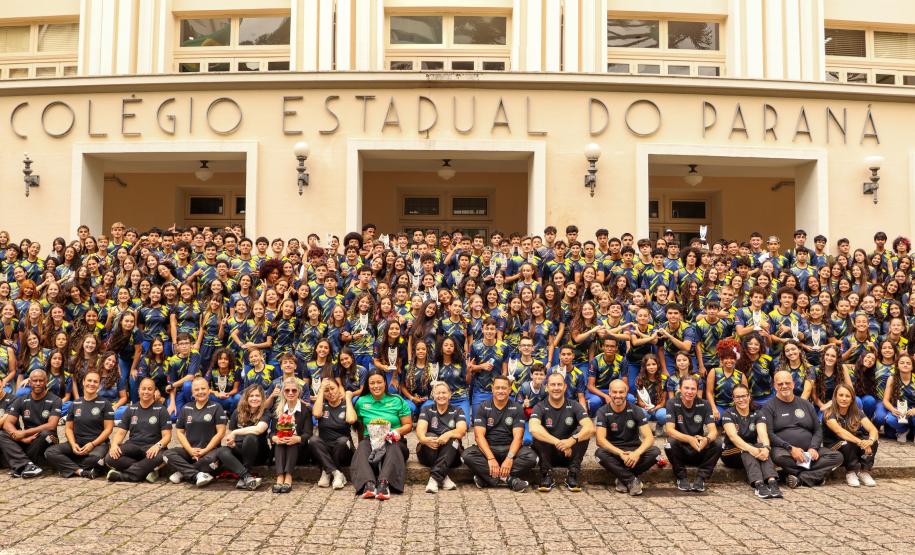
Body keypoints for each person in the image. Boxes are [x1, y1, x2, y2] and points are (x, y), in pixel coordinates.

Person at [760, 370, 843, 488]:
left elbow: (818, 429)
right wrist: (790, 448)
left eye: (787, 383)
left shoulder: (805, 404)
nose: (784, 386)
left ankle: (800, 478)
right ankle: (815, 477)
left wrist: (813, 448)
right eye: (780, 384)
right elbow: (770, 434)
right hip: (786, 452)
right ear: (774, 386)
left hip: (810, 452)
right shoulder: (769, 406)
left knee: (837, 457)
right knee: (778, 457)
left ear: (793, 384)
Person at [462, 375, 536, 492]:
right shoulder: (483, 406)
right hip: (489, 448)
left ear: (509, 389)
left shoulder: (517, 408)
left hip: (509, 448)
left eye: (504, 388)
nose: (500, 391)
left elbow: (518, 437)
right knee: (466, 455)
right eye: (497, 388)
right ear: (492, 389)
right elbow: (478, 436)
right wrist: (491, 459)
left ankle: (487, 478)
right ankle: (509, 479)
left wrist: (509, 458)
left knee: (532, 458)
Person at [351, 369, 412, 500]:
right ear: (367, 384)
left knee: (393, 446)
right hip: (371, 440)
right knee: (362, 446)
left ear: (385, 382)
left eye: (379, 382)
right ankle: (369, 484)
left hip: (394, 441)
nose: (376, 386)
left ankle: (384, 484)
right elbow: (360, 427)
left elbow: (408, 425)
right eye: (372, 383)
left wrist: (397, 431)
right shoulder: (361, 402)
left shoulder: (397, 400)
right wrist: (363, 442)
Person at [529, 372, 594, 492]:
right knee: (539, 433)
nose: (556, 388)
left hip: (569, 455)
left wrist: (571, 440)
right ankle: (546, 474)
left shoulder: (575, 405)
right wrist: (559, 443)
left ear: (565, 387)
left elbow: (590, 428)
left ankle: (573, 473)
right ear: (547, 387)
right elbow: (533, 428)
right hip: (548, 454)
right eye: (552, 385)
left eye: (559, 384)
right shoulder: (539, 406)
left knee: (583, 432)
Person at [593, 379, 660, 496]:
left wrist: (637, 453)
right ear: (609, 393)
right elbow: (600, 440)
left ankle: (622, 478)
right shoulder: (602, 411)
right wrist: (620, 453)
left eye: (621, 392)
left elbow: (649, 437)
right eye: (614, 392)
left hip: (634, 452)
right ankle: (631, 480)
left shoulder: (636, 410)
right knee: (599, 454)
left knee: (656, 452)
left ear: (626, 393)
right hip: (614, 453)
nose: (618, 395)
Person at [45, 370, 114, 478]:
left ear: (99, 385)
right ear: (83, 382)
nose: (92, 384)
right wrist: (73, 444)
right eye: (89, 380)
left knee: (95, 458)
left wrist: (92, 444)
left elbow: (108, 429)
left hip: (98, 444)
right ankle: (80, 471)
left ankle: (67, 466)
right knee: (50, 452)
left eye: (95, 382)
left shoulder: (105, 404)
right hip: (77, 443)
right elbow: (68, 428)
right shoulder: (75, 404)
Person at [720, 384, 782, 499]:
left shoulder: (758, 413)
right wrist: (753, 450)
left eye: (744, 396)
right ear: (733, 399)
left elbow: (763, 434)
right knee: (748, 448)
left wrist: (766, 448)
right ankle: (758, 484)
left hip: (752, 450)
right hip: (730, 452)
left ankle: (772, 482)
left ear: (749, 397)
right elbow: (733, 437)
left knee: (761, 447)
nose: (741, 399)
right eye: (738, 397)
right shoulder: (728, 414)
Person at [162, 376, 227, 487]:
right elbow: (179, 432)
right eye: (196, 390)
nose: (200, 392)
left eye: (203, 388)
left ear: (208, 390)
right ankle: (197, 475)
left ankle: (183, 472)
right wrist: (190, 450)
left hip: (210, 452)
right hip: (190, 451)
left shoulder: (217, 407)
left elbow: (221, 432)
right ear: (192, 392)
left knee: (210, 462)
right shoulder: (186, 408)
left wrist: (205, 450)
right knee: (167, 454)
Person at [104, 377, 172, 483]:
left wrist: (157, 446)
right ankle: (146, 470)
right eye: (143, 389)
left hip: (152, 449)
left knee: (162, 457)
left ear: (154, 391)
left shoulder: (161, 410)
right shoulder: (130, 409)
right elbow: (121, 432)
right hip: (134, 447)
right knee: (110, 458)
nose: (146, 391)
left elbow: (167, 436)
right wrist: (114, 445)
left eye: (150, 389)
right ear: (138, 390)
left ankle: (124, 476)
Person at [663, 376, 722, 492]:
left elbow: (713, 431)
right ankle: (681, 477)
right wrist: (689, 439)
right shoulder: (672, 403)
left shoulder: (704, 404)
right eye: (686, 388)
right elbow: (669, 430)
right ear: (680, 388)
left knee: (718, 444)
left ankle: (701, 478)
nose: (689, 392)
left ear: (697, 390)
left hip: (699, 448)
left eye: (693, 389)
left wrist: (707, 439)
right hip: (681, 450)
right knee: (670, 443)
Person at [0, 369, 61, 478]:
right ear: (29, 382)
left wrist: (24, 433)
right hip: (27, 440)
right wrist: (21, 437)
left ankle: (20, 465)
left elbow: (52, 425)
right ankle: (27, 465)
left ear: (46, 381)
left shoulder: (55, 400)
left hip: (46, 439)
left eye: (41, 380)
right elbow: (7, 423)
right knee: (2, 434)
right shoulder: (21, 400)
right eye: (35, 380)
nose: (38, 383)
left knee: (46, 434)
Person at [214, 384, 269, 490]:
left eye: (257, 396)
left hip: (258, 452)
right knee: (221, 451)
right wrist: (232, 444)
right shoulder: (237, 412)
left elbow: (259, 429)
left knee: (250, 437)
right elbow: (230, 435)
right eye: (251, 396)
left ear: (262, 398)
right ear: (246, 398)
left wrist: (235, 432)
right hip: (240, 451)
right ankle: (247, 477)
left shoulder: (265, 412)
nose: (254, 398)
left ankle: (245, 473)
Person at [823, 383, 879, 487]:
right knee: (847, 442)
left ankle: (864, 472)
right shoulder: (828, 413)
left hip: (853, 445)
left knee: (873, 441)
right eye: (841, 395)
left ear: (852, 399)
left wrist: (870, 441)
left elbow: (873, 429)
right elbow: (840, 432)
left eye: (847, 396)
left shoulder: (857, 411)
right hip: (835, 445)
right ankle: (851, 472)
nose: (844, 399)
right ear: (835, 397)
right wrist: (861, 442)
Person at [416, 381, 467, 493]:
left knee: (453, 439)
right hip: (429, 451)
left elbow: (462, 431)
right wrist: (424, 439)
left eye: (444, 393)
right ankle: (443, 477)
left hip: (452, 454)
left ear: (449, 394)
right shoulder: (427, 409)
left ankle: (434, 479)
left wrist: (447, 434)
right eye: (438, 393)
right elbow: (420, 430)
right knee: (429, 436)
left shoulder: (458, 410)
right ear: (433, 396)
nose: (441, 396)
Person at [310, 377, 356, 490]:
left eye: (332, 388)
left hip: (344, 449)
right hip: (326, 448)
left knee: (342, 441)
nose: (330, 392)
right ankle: (336, 473)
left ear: (338, 388)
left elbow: (351, 420)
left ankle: (327, 471)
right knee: (313, 440)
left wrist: (348, 399)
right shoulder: (322, 405)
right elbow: (316, 414)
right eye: (327, 390)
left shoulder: (346, 404)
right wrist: (321, 390)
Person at [269, 377, 313, 493]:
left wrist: (297, 438)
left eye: (294, 390)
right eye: (287, 390)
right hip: (281, 448)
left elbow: (308, 433)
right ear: (283, 392)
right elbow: (272, 432)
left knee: (292, 441)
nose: (290, 393)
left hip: (299, 450)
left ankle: (288, 476)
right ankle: (280, 476)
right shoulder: (278, 410)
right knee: (280, 441)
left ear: (299, 392)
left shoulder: (305, 410)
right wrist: (274, 438)